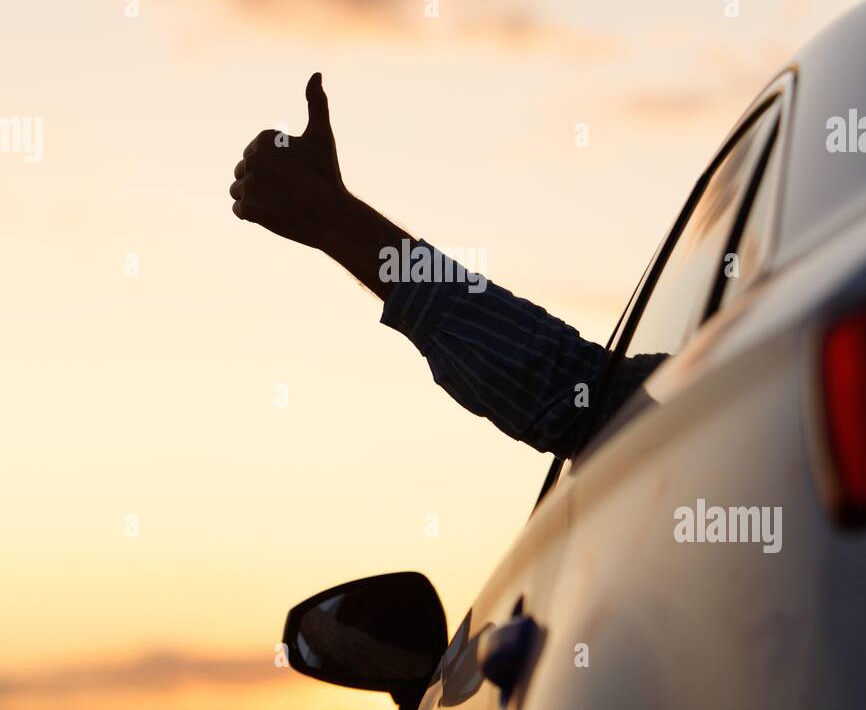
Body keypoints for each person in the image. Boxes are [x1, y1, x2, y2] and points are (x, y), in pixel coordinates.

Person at [230, 74, 661, 460]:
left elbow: (583, 399)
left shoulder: (717, 388)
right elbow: (590, 398)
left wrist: (334, 221)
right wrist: (334, 221)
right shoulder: (716, 383)